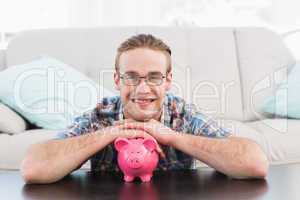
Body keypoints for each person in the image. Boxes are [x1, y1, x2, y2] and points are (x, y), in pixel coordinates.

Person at [21, 34, 269, 184]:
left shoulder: (182, 114)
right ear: (117, 80)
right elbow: (32, 167)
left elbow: (255, 162)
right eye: (131, 77)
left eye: (154, 77)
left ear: (168, 80)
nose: (142, 89)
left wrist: (172, 136)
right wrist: (106, 134)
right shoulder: (101, 116)